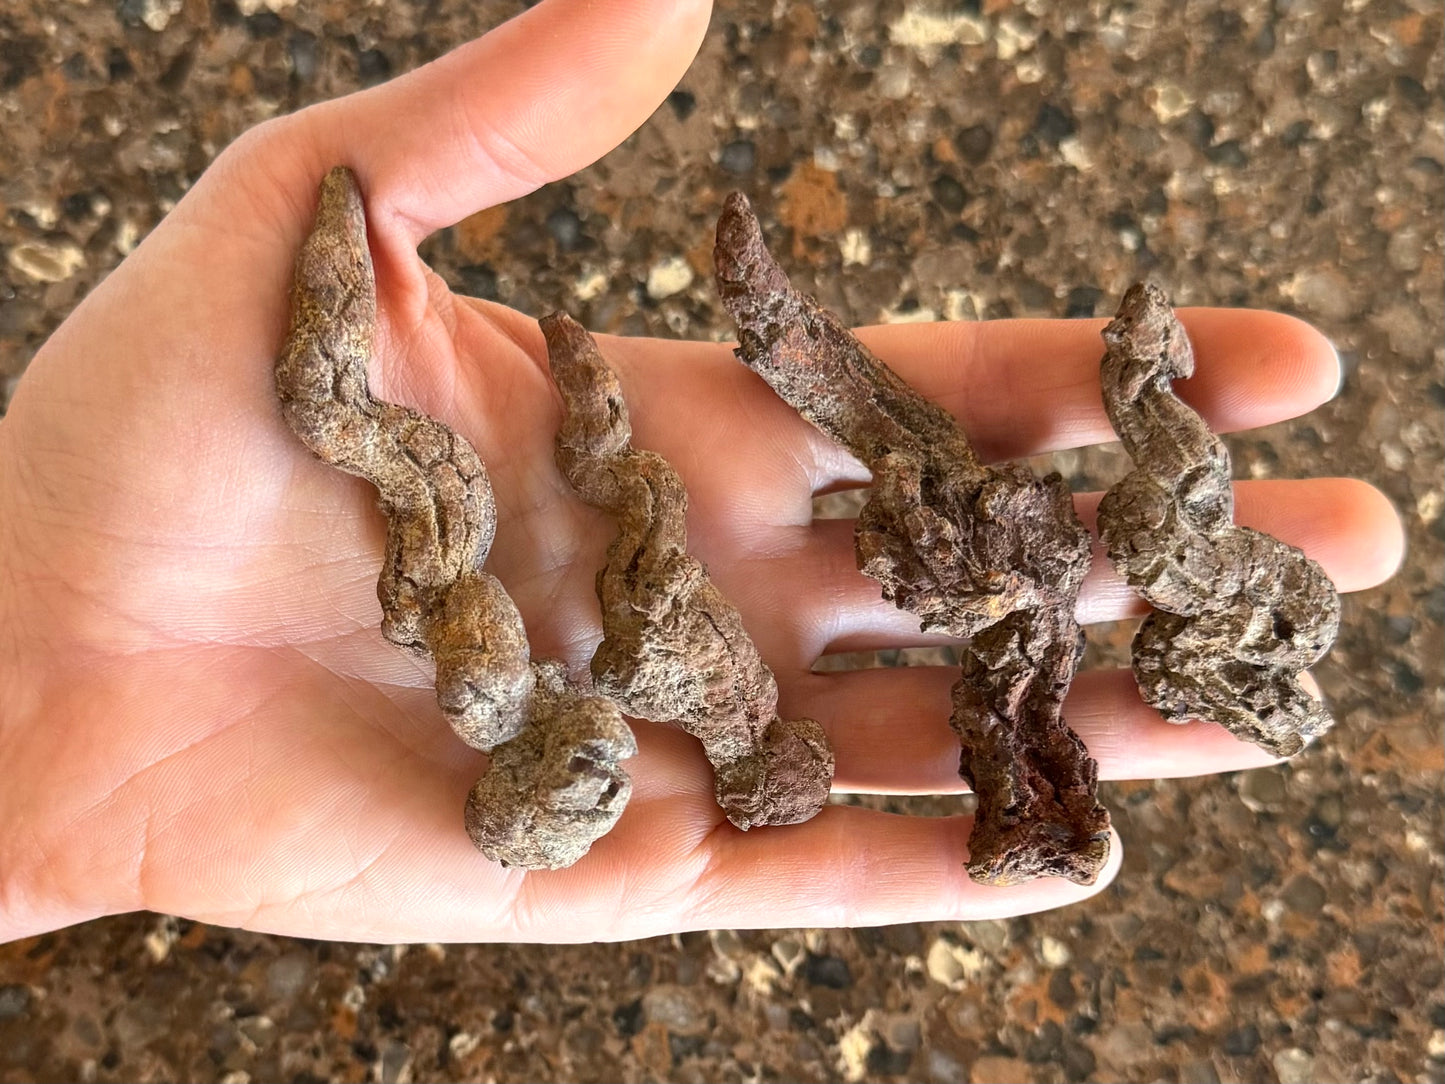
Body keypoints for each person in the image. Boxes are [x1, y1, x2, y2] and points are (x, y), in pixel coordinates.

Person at [0, 0, 1402, 945]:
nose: (594, 784)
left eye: (561, 785)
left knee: (498, 502)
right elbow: (805, 397)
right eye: (581, 792)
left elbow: (791, 417)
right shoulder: (587, 674)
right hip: (630, 640)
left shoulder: (620, 672)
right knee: (423, 468)